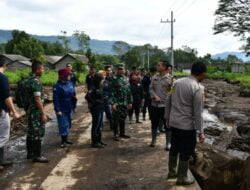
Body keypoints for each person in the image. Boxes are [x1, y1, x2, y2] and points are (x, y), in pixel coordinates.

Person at [165, 61, 207, 185]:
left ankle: (172, 172)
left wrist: (167, 118)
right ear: (202, 73)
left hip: (174, 122)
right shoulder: (198, 88)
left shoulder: (176, 82)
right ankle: (182, 177)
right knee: (186, 150)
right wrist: (201, 131)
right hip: (187, 126)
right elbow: (198, 112)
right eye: (205, 74)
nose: (205, 76)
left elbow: (168, 100)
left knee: (174, 147)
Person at [26, 61, 49, 163]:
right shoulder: (36, 81)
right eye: (42, 69)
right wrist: (43, 113)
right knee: (37, 132)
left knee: (31, 132)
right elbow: (37, 99)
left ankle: (30, 153)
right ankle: (37, 155)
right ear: (38, 69)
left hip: (30, 110)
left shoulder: (29, 80)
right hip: (36, 111)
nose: (43, 71)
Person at [0, 59, 20, 170]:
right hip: (1, 112)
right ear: (4, 65)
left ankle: (1, 160)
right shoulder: (2, 78)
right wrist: (14, 111)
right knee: (3, 136)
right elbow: (6, 97)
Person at [149, 61, 173, 148]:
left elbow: (172, 93)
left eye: (159, 65)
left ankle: (168, 143)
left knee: (167, 125)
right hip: (154, 105)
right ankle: (153, 140)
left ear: (164, 67)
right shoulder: (154, 77)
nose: (157, 66)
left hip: (165, 107)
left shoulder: (171, 79)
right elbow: (150, 89)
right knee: (154, 123)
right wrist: (155, 96)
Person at [53, 68, 76, 148]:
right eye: (68, 75)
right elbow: (55, 99)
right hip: (62, 108)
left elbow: (73, 93)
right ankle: (63, 141)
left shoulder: (70, 83)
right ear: (63, 76)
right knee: (63, 124)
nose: (70, 76)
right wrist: (57, 110)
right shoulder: (57, 86)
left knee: (68, 124)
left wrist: (74, 105)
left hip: (69, 106)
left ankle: (66, 139)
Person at [110, 64, 132, 141]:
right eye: (119, 69)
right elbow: (111, 92)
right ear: (117, 70)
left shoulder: (126, 79)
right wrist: (113, 103)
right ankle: (115, 134)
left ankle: (122, 133)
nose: (121, 70)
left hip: (124, 102)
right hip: (117, 103)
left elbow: (129, 91)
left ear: (125, 70)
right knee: (116, 119)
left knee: (123, 118)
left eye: (122, 69)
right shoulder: (113, 79)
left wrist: (130, 102)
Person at [88, 73, 107, 148]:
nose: (103, 81)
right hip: (96, 109)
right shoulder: (93, 88)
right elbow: (87, 96)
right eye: (102, 80)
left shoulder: (100, 87)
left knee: (100, 126)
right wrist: (93, 103)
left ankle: (99, 140)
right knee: (95, 126)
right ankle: (94, 142)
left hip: (101, 108)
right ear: (98, 80)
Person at [103, 66, 113, 130]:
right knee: (108, 112)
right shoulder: (103, 79)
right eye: (108, 70)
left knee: (113, 112)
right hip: (106, 98)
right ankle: (111, 125)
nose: (109, 71)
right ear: (105, 71)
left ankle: (112, 125)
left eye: (110, 70)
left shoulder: (113, 78)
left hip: (113, 97)